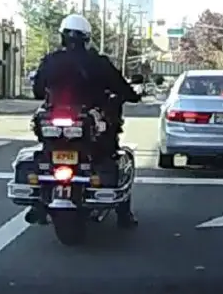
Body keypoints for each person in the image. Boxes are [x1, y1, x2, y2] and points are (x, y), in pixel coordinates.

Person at [30, 13, 140, 227]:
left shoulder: (50, 60)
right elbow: (122, 88)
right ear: (86, 38)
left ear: (63, 37)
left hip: (53, 125)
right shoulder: (98, 62)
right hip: (90, 124)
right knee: (110, 153)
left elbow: (36, 91)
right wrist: (131, 95)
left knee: (45, 150)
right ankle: (123, 215)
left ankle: (38, 203)